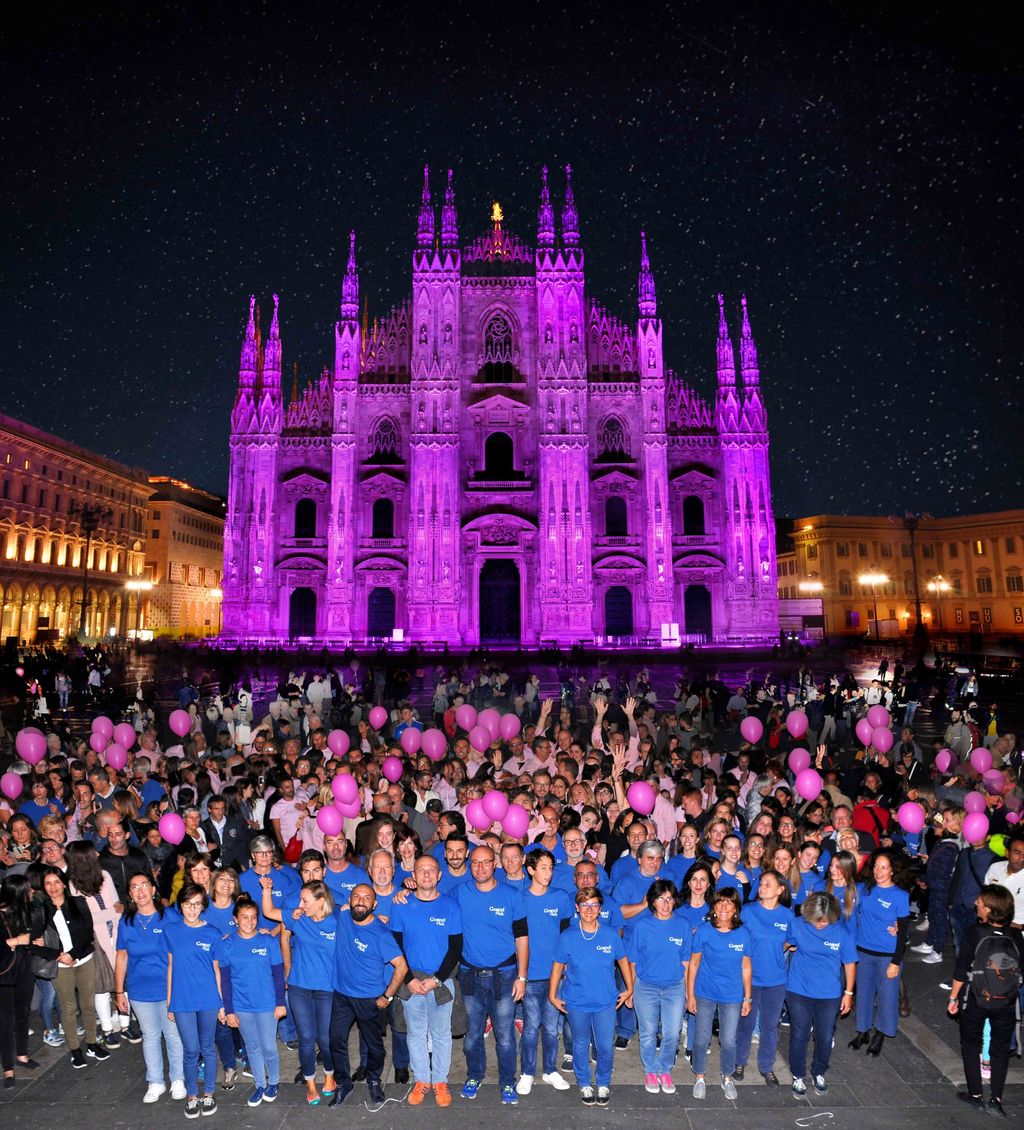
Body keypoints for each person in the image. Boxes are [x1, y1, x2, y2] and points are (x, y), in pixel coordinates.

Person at [455, 845, 529, 1106]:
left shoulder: (511, 895)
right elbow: (431, 899)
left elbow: (522, 937)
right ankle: (474, 1075)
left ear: (495, 864)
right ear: (469, 864)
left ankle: (508, 1081)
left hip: (505, 975)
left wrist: (522, 977)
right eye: (475, 862)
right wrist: (403, 893)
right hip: (469, 975)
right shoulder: (460, 893)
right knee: (473, 1033)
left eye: (486, 862)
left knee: (505, 1034)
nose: (480, 867)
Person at [389, 854, 463, 1107]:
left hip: (441, 981)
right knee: (416, 1033)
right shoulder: (401, 904)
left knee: (442, 1034)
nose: (427, 874)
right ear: (414, 876)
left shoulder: (451, 906)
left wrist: (437, 980)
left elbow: (456, 948)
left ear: (439, 875)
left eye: (432, 870)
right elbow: (395, 945)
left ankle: (440, 1081)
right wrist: (408, 979)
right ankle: (422, 1080)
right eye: (422, 870)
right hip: (411, 983)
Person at [549, 886, 633, 1106]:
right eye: (584, 904)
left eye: (594, 904)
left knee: (605, 1045)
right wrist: (552, 995)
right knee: (580, 1043)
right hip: (576, 1001)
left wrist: (630, 988)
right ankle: (584, 1083)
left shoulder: (610, 934)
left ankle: (603, 1082)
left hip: (605, 1001)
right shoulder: (568, 936)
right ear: (577, 908)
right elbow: (558, 966)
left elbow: (623, 960)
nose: (589, 909)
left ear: (600, 908)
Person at [328, 883, 408, 1109]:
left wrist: (387, 996)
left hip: (369, 999)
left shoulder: (381, 934)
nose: (361, 901)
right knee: (336, 1041)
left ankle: (374, 1079)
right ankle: (343, 1083)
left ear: (374, 904)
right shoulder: (342, 917)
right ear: (349, 901)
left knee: (374, 1046)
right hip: (341, 995)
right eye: (356, 897)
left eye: (366, 898)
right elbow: (322, 893)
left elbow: (401, 966)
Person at [948, 883, 1024, 1117]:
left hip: (977, 999)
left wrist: (952, 997)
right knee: (1000, 1049)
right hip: (1006, 1002)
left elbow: (962, 970)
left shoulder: (974, 932)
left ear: (989, 910)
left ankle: (976, 1095)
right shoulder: (1016, 936)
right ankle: (996, 1099)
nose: (975, 904)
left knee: (971, 1045)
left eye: (979, 903)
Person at [260, 878, 337, 1105]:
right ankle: (311, 1083)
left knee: (325, 1037)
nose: (300, 904)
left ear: (321, 901)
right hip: (299, 987)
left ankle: (330, 1076)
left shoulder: (338, 921)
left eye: (305, 900)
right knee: (306, 1037)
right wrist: (266, 889)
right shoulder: (298, 919)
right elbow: (269, 911)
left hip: (327, 989)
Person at [114, 872, 185, 1103]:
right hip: (139, 990)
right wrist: (118, 991)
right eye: (135, 887)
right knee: (150, 1036)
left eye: (145, 885)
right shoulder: (126, 922)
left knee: (173, 1035)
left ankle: (178, 1079)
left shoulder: (170, 917)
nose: (140, 890)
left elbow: (181, 952)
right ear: (130, 894)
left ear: (153, 889)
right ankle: (155, 1081)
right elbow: (122, 957)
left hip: (169, 988)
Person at [784, 891, 856, 1096]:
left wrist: (848, 992)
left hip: (829, 993)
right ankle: (798, 1075)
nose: (820, 925)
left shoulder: (842, 932)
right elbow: (786, 944)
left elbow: (850, 963)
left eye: (824, 921)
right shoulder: (798, 925)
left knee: (824, 1036)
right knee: (799, 1033)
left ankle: (819, 1071)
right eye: (816, 921)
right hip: (799, 989)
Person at [217, 896, 286, 1107]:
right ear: (235, 919)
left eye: (254, 917)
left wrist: (280, 1002)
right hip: (241, 1005)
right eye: (244, 917)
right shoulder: (227, 945)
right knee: (252, 1047)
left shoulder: (268, 941)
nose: (250, 921)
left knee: (268, 1047)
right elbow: (226, 980)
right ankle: (259, 1085)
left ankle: (273, 1082)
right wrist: (229, 1010)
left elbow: (278, 974)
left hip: (266, 1004)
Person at [685, 887, 752, 1101]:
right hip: (705, 992)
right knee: (701, 1038)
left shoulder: (743, 934)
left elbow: (746, 967)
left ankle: (727, 1077)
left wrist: (747, 997)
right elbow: (693, 964)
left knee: (729, 1040)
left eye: (729, 903)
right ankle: (699, 1076)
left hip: (732, 995)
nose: (724, 907)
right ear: (713, 907)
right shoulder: (704, 931)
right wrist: (690, 994)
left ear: (735, 909)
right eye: (720, 902)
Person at [41, 867, 110, 1068]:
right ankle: (74, 1049)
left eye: (56, 882)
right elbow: (34, 944)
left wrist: (73, 954)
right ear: (43, 887)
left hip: (84, 959)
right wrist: (58, 956)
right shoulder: (41, 910)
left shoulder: (79, 903)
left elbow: (88, 934)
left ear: (64, 883)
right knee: (69, 1008)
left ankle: (91, 1043)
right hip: (60, 965)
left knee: (88, 1005)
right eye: (48, 883)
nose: (53, 887)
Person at [163, 882, 223, 1118]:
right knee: (190, 1050)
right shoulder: (171, 931)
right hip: (182, 999)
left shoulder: (213, 933)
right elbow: (170, 967)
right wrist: (170, 1002)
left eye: (197, 904)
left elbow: (217, 970)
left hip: (208, 999)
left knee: (208, 1048)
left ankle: (209, 1093)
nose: (192, 909)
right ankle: (191, 1096)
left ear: (203, 907)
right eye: (188, 904)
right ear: (181, 906)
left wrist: (221, 1003)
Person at [517, 848, 573, 1095]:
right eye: (543, 868)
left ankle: (549, 1070)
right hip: (528, 975)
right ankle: (527, 1072)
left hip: (554, 975)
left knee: (551, 1027)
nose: (548, 873)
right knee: (531, 1026)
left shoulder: (561, 898)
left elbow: (566, 935)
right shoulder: (519, 899)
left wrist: (566, 967)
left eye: (551, 868)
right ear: (530, 870)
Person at [627, 878, 688, 1094]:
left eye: (669, 899)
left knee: (672, 1032)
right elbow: (633, 959)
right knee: (648, 1032)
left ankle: (665, 1069)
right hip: (646, 986)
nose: (665, 903)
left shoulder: (682, 925)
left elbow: (686, 961)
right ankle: (651, 1071)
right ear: (653, 901)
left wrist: (688, 991)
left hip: (674, 987)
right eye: (661, 898)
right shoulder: (642, 926)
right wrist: (631, 989)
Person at [848, 849, 911, 1057]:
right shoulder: (863, 889)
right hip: (863, 951)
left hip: (887, 954)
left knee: (887, 996)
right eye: (876, 866)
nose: (879, 871)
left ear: (892, 871)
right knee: (864, 993)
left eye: (884, 867)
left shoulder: (900, 896)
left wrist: (896, 960)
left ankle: (881, 1033)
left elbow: (903, 932)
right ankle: (862, 1031)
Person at [0, 874, 59, 1087]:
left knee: (22, 1015)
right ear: (17, 893)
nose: (33, 892)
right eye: (28, 890)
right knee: (5, 1023)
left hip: (24, 971)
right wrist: (14, 941)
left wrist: (52, 951)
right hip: (4, 975)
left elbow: (31, 943)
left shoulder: (26, 913)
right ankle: (7, 1068)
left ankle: (22, 1055)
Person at [734, 870, 792, 1085]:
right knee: (746, 1024)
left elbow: (791, 942)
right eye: (761, 883)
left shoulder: (787, 916)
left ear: (780, 889)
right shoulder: (748, 911)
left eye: (768, 883)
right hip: (749, 979)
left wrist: (776, 953)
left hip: (775, 980)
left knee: (769, 1026)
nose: (762, 886)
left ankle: (766, 1066)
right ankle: (739, 1062)